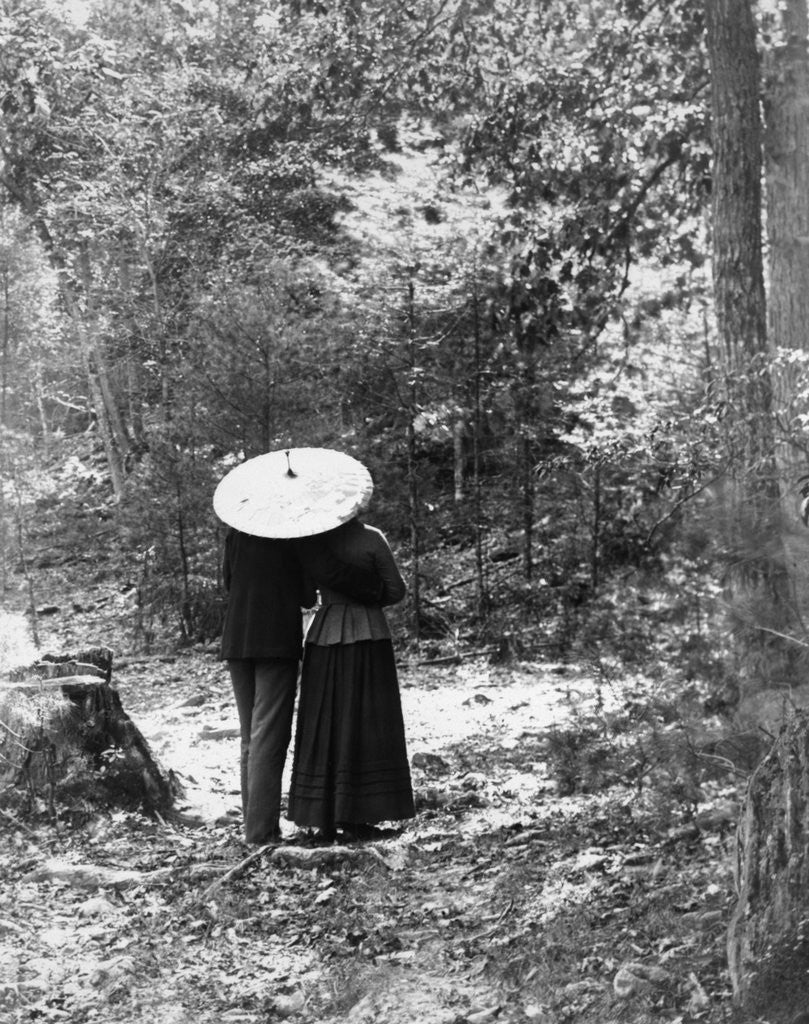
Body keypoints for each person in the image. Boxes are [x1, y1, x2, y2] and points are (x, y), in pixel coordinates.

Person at [220, 527, 383, 845]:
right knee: (268, 735)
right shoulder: (292, 528)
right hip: (275, 639)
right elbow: (314, 587)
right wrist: (377, 586)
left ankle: (254, 827)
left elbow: (228, 581)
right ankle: (261, 833)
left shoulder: (237, 528)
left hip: (236, 638)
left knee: (250, 736)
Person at [287, 517, 415, 841]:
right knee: (368, 721)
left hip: (324, 634)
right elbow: (396, 590)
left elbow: (305, 595)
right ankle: (362, 813)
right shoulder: (372, 538)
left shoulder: (312, 540)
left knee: (325, 721)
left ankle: (321, 814)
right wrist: (366, 601)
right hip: (369, 632)